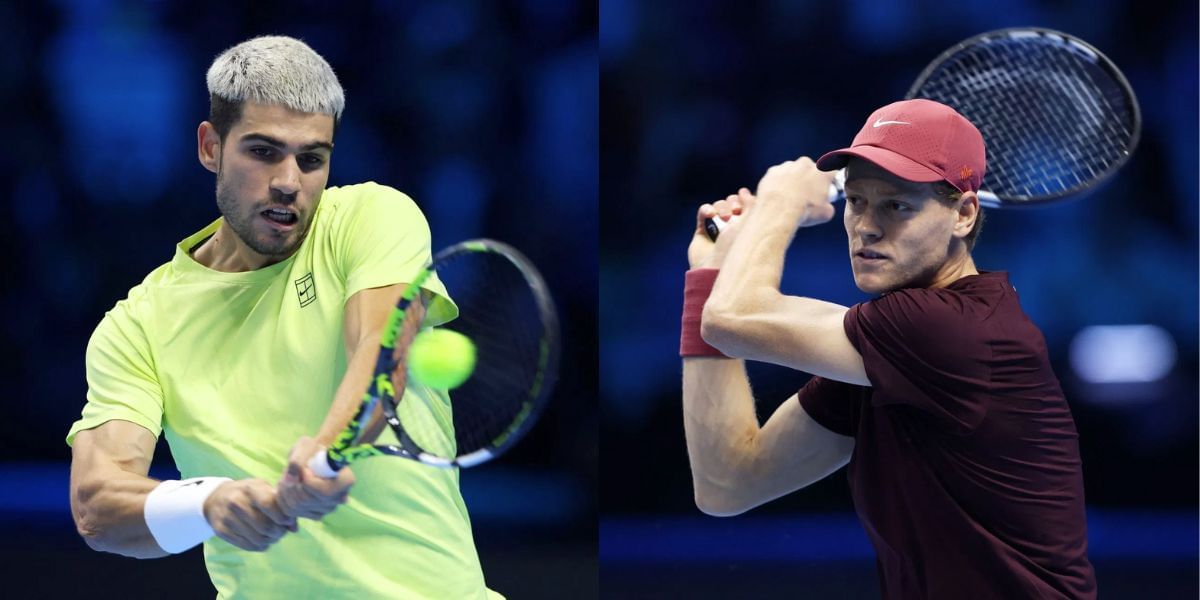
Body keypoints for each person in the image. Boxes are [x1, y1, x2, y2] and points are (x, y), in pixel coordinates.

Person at [66, 36, 500, 599]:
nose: (289, 182)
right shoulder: (138, 325)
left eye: (312, 158)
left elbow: (379, 354)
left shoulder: (372, 217)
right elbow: (98, 505)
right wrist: (210, 503)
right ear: (210, 147)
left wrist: (320, 452)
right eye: (263, 151)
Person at [680, 99, 1097, 599]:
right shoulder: (884, 356)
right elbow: (728, 483)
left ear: (964, 214)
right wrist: (708, 275)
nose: (867, 227)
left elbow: (731, 319)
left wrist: (780, 202)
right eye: (856, 201)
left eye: (896, 205)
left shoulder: (950, 332)